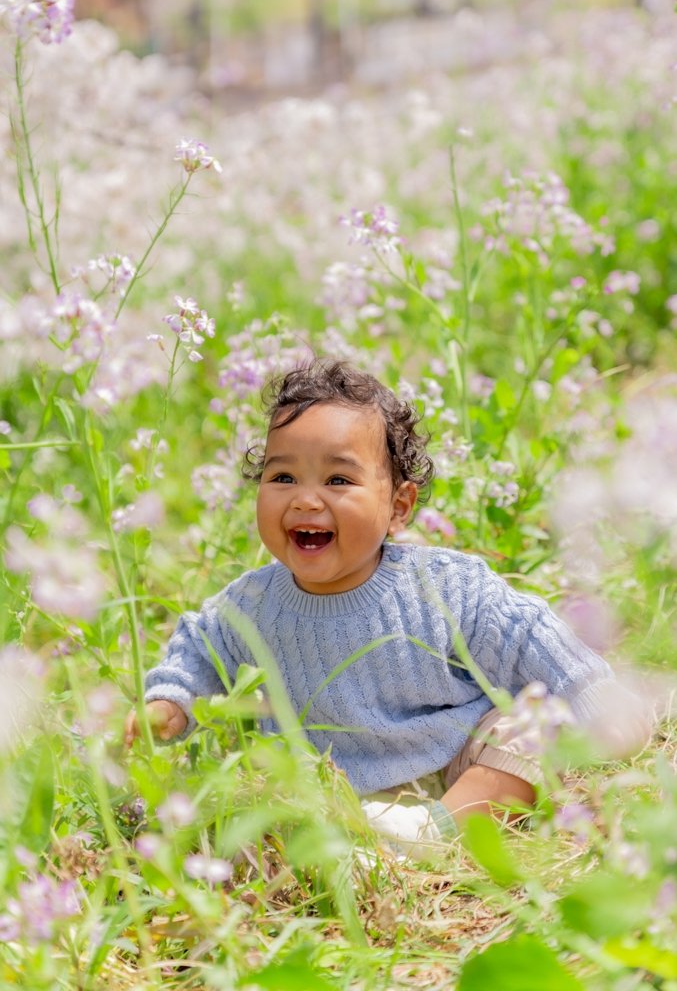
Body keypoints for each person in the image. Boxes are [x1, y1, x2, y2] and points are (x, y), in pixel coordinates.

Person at [125, 359, 637, 858]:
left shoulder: (444, 588)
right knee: (252, 804)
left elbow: (527, 633)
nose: (305, 500)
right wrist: (170, 703)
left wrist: (596, 694)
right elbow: (199, 647)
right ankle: (352, 847)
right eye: (282, 478)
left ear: (398, 507)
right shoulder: (251, 605)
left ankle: (432, 833)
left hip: (458, 766)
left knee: (532, 728)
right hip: (330, 794)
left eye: (338, 481)